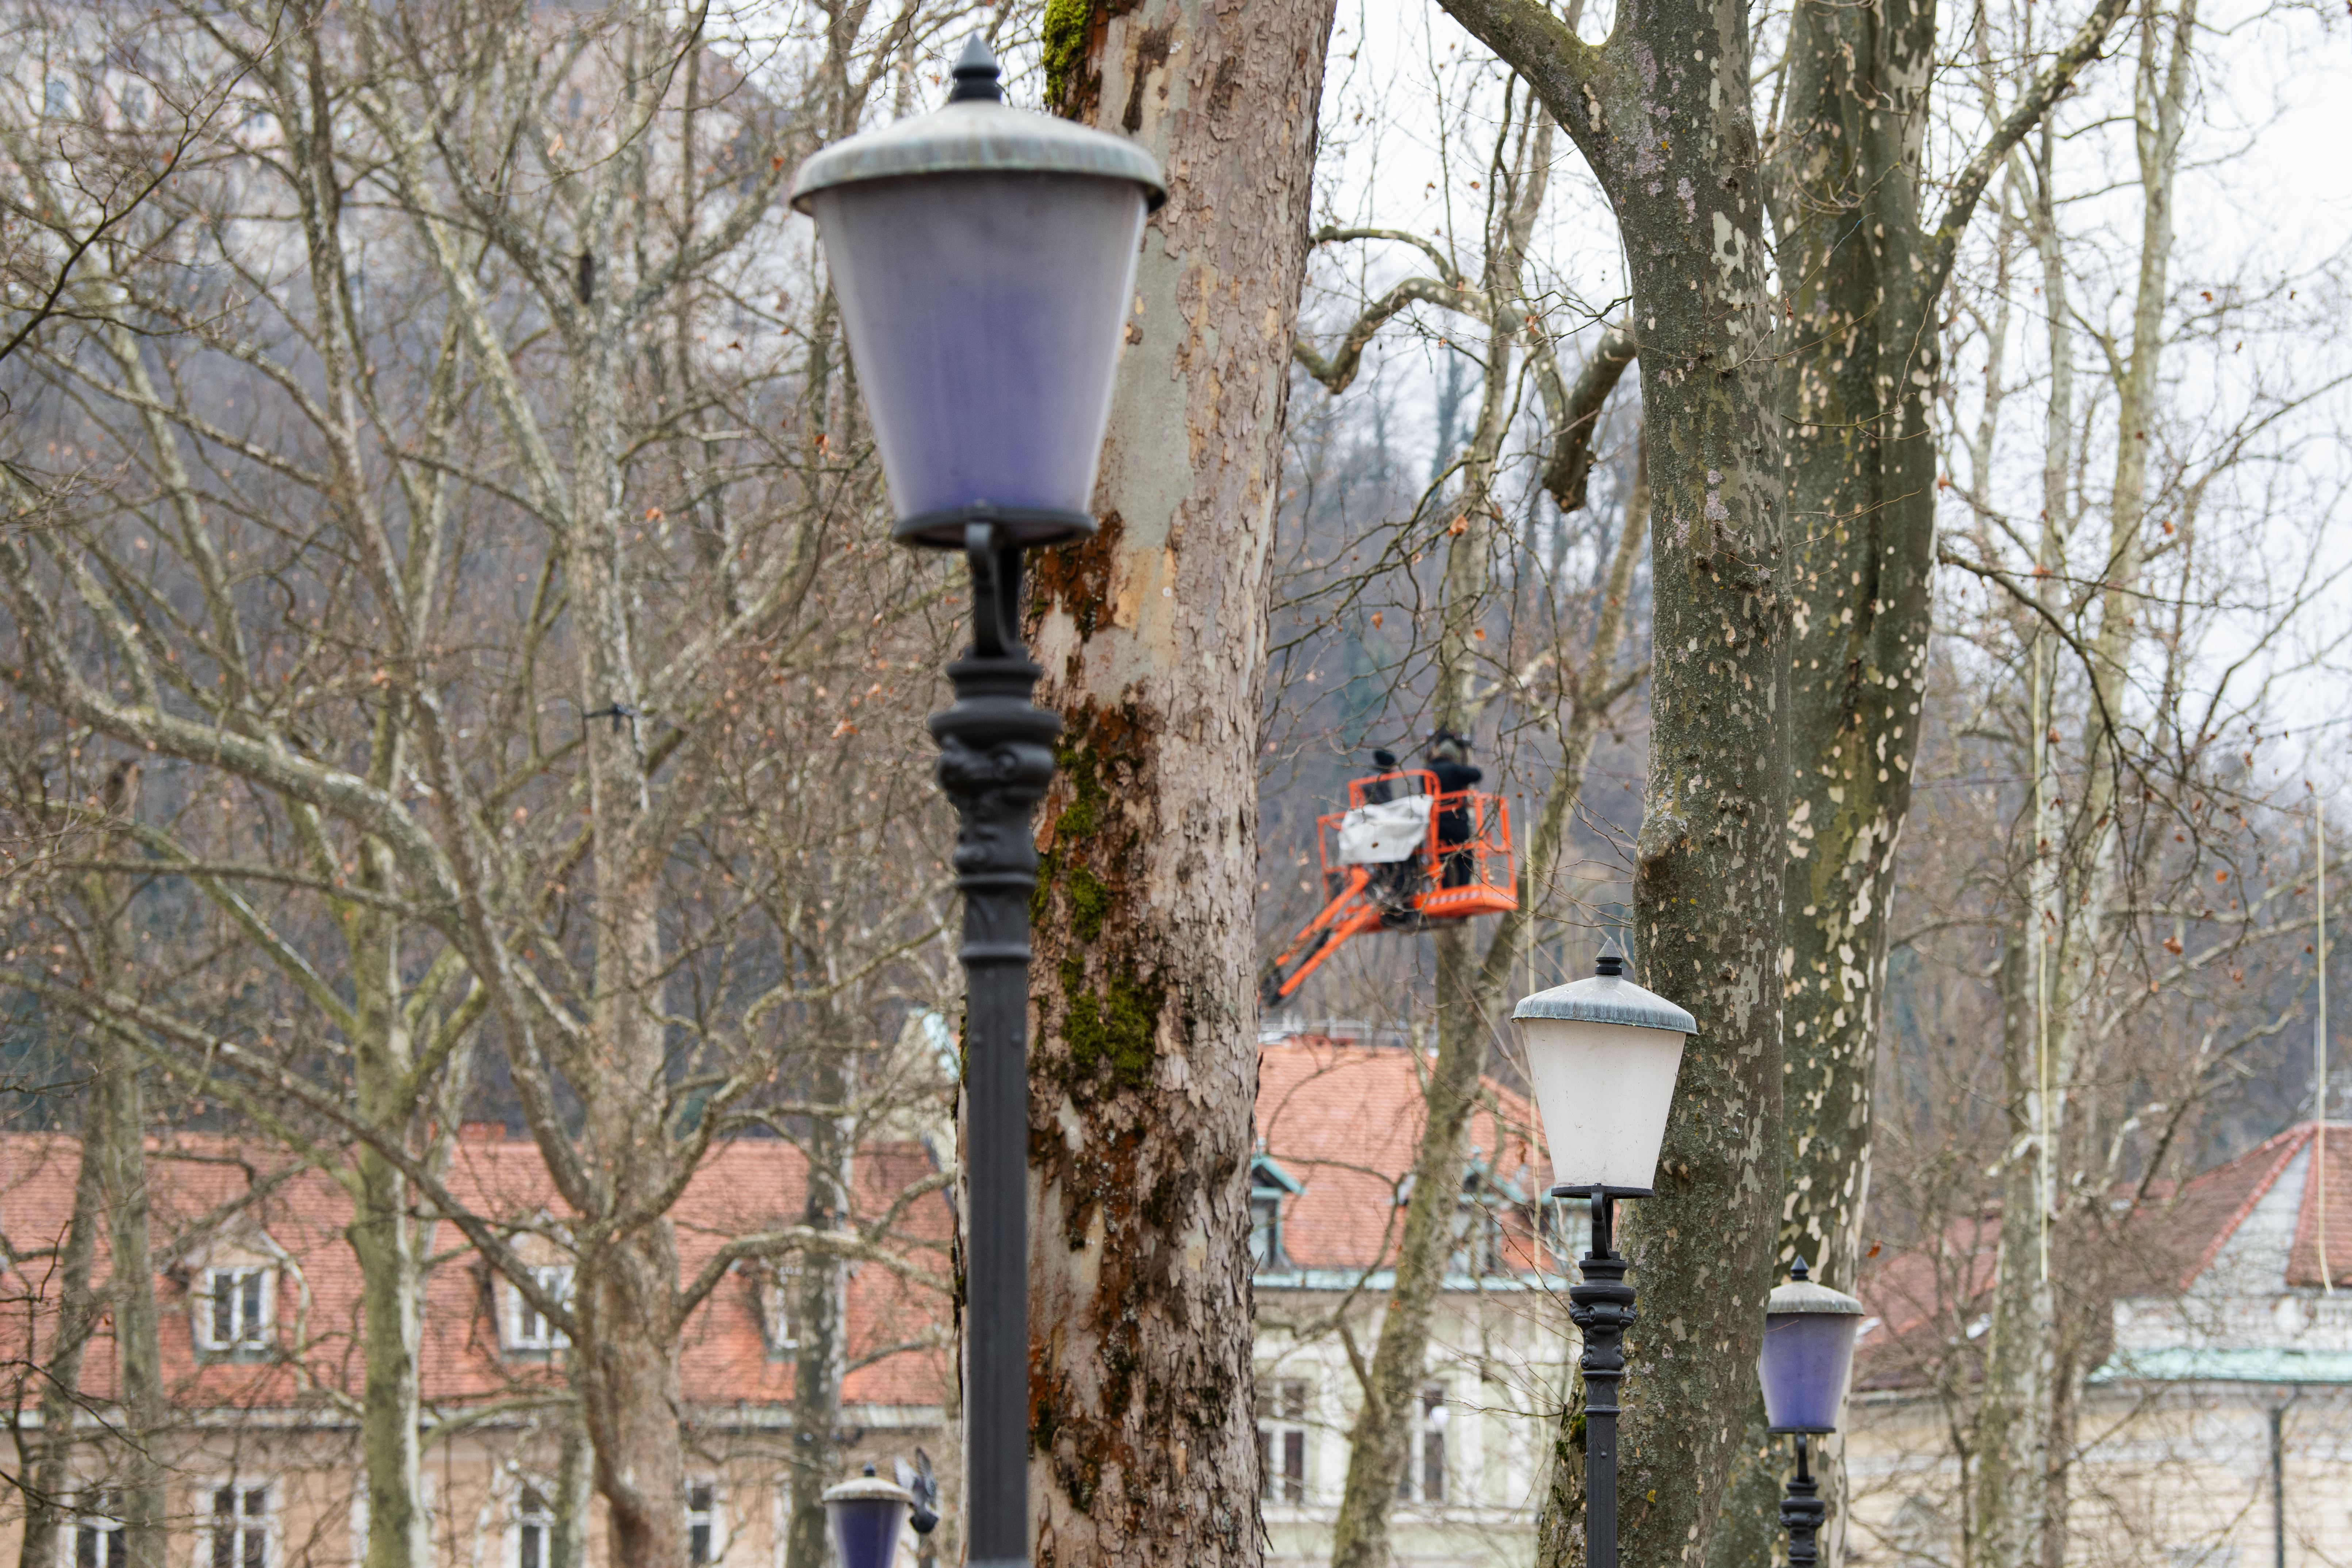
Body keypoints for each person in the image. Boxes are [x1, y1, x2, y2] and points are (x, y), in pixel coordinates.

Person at [1426, 731, 1483, 887]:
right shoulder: (1453, 769)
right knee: (1465, 855)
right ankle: (1463, 887)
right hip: (1456, 820)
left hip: (1436, 823)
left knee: (1442, 857)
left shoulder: (1427, 773)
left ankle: (1443, 889)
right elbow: (1476, 774)